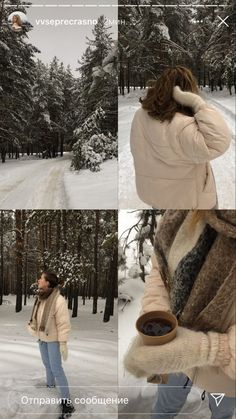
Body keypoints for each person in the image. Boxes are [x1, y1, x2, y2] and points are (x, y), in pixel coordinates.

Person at [123, 210, 236, 419]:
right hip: (172, 350)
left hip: (224, 371)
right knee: (164, 410)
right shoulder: (183, 210)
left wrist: (207, 350)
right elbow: (160, 270)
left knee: (222, 413)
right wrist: (156, 320)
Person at [130, 67, 231, 209]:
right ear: (185, 92)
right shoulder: (184, 125)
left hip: (157, 197)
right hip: (192, 203)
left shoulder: (140, 115)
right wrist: (197, 103)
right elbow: (218, 142)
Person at [27, 271, 75, 417]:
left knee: (56, 368)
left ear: (47, 282)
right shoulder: (40, 297)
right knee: (47, 364)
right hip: (42, 338)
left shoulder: (58, 300)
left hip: (53, 340)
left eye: (41, 278)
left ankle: (67, 403)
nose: (39, 280)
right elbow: (37, 316)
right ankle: (50, 386)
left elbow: (63, 324)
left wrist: (63, 343)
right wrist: (33, 327)